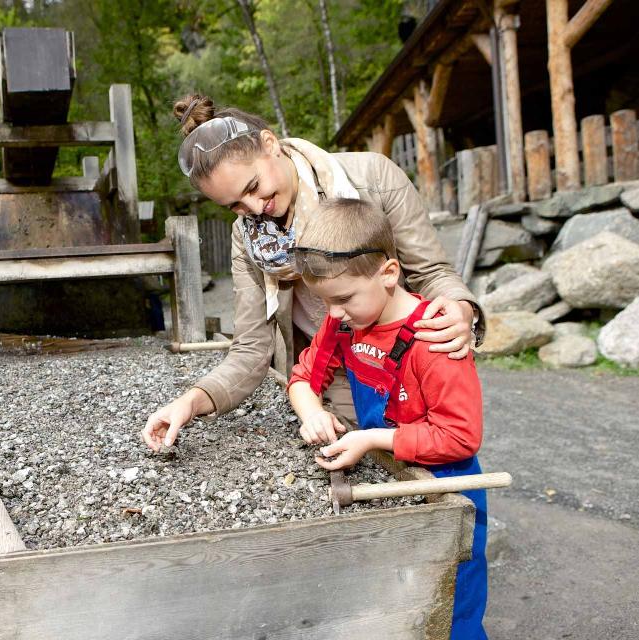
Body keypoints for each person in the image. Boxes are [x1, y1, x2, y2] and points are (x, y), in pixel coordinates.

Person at [142, 94, 483, 452]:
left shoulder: (373, 178)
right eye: (235, 206)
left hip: (407, 367)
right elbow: (251, 348)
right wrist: (191, 401)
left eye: (253, 187)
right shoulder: (246, 236)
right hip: (332, 373)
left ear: (269, 144)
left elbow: (431, 271)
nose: (255, 208)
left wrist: (461, 308)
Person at [287, 197, 487, 639]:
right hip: (392, 474)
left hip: (446, 487)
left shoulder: (435, 341)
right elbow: (302, 378)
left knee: (450, 605)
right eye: (325, 302)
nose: (333, 314)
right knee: (395, 606)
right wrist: (312, 413)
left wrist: (371, 439)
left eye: (344, 299)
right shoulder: (344, 324)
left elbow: (460, 437)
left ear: (389, 273)